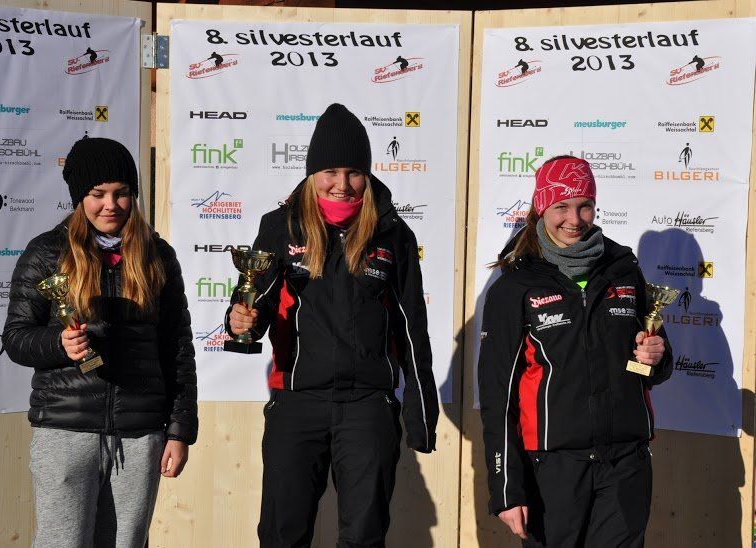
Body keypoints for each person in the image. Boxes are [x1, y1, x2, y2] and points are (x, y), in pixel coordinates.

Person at [226, 103, 438, 548]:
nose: (342, 184)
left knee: (363, 537)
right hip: (297, 402)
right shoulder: (280, 227)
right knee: (282, 535)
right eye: (330, 172)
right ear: (312, 174)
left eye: (354, 172)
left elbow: (412, 331)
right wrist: (240, 320)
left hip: (368, 406)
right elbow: (255, 303)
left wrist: (421, 415)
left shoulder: (393, 234)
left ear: (367, 174)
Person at [2, 136, 198, 548]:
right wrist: (59, 344)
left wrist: (179, 431)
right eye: (98, 194)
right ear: (80, 197)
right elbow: (17, 338)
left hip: (140, 434)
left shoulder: (158, 256)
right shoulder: (46, 253)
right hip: (65, 430)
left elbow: (178, 350)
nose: (111, 205)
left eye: (121, 193)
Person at [478, 156, 673, 547]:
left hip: (624, 463)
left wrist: (654, 358)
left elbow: (650, 368)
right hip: (552, 468)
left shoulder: (623, 271)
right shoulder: (516, 285)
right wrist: (506, 488)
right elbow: (498, 396)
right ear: (541, 207)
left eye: (585, 205)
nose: (575, 218)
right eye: (561, 206)